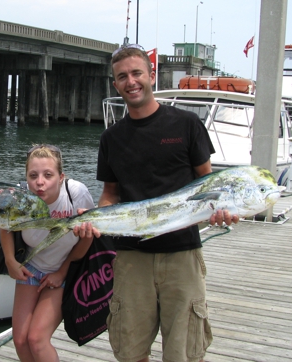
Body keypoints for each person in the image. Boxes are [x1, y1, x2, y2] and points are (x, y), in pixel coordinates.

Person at [94, 44, 238, 362]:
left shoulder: (187, 125)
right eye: (122, 77)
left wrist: (221, 210)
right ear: (115, 84)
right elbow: (110, 195)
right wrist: (94, 216)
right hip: (132, 258)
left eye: (136, 73)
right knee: (130, 351)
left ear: (151, 75)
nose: (131, 81)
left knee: (183, 353)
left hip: (182, 254)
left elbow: (208, 186)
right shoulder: (111, 138)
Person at [0, 144, 95, 362]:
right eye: (33, 175)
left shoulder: (76, 194)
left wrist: (62, 272)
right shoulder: (20, 197)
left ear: (61, 177)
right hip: (32, 269)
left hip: (66, 270)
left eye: (48, 175)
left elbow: (88, 237)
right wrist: (10, 260)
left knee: (37, 339)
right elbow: (5, 226)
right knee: (20, 340)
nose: (39, 182)